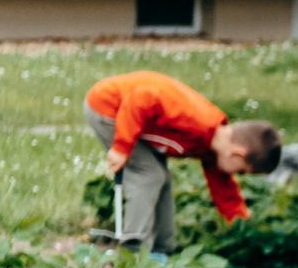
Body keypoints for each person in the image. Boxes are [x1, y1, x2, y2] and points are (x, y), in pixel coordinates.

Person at [84, 70, 282, 254]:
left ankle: (163, 249)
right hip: (110, 108)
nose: (236, 175)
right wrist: (121, 147)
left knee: (163, 179)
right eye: (241, 171)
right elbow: (142, 98)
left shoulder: (213, 148)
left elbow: (224, 189)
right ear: (237, 154)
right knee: (149, 175)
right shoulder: (197, 121)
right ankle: (133, 252)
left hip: (140, 123)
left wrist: (241, 225)